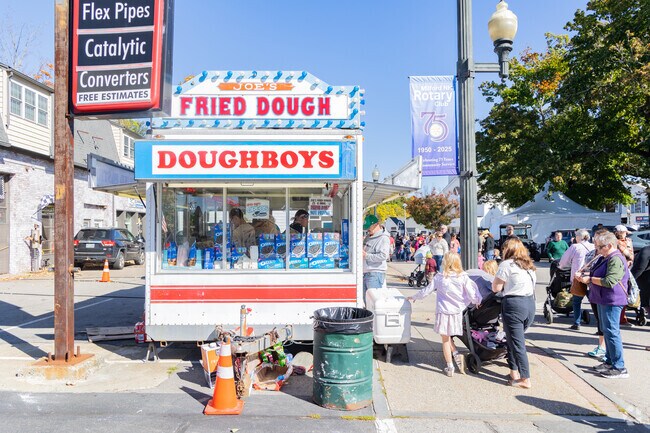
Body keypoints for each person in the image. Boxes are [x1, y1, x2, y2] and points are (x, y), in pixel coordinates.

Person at [408, 252, 481, 377]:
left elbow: (426, 291)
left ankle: (450, 366)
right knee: (449, 336)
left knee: (445, 340)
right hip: (456, 312)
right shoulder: (463, 277)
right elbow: (471, 293)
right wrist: (477, 301)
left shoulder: (440, 277)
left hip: (443, 312)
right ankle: (457, 355)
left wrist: (414, 297)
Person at [576, 230, 630, 378]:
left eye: (600, 246)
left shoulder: (616, 259)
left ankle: (619, 366)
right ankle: (609, 361)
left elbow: (610, 281)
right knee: (607, 331)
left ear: (610, 245)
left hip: (612, 300)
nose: (597, 249)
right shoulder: (605, 257)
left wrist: (589, 280)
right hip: (603, 299)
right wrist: (587, 276)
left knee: (612, 332)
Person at [492, 238, 536, 389]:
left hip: (514, 305)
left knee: (517, 343)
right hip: (529, 304)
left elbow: (496, 288)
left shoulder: (506, 265)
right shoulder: (529, 266)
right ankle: (514, 373)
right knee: (513, 339)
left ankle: (525, 378)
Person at [558, 229, 595, 330]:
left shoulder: (575, 247)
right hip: (591, 276)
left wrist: (561, 267)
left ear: (579, 237)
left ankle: (577, 323)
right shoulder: (593, 246)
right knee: (594, 301)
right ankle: (599, 324)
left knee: (576, 301)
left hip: (578, 277)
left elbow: (564, 261)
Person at [362, 215, 390, 299]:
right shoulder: (369, 237)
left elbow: (383, 255)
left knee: (373, 300)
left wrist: (366, 255)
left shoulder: (383, 238)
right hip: (367, 272)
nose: (368, 230)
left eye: (369, 228)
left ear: (376, 225)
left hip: (375, 273)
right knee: (367, 300)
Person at [614, 225, 634, 326]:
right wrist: (630, 257)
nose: (625, 235)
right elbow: (626, 252)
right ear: (619, 233)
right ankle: (620, 318)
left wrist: (631, 260)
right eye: (624, 233)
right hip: (618, 269)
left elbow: (631, 254)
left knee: (627, 292)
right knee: (620, 293)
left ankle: (622, 317)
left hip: (627, 269)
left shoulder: (629, 240)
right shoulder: (615, 241)